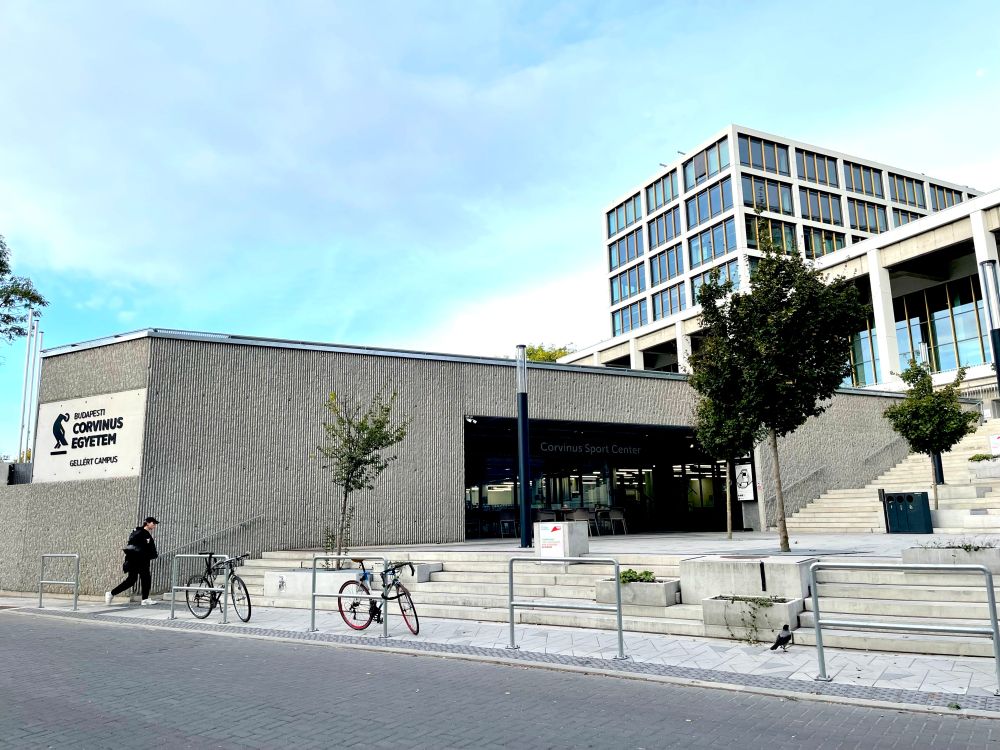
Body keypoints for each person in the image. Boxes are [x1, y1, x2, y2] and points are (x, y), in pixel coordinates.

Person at [105, 517, 159, 605]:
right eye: (153, 523)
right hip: (137, 560)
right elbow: (133, 547)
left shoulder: (142, 533)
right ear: (148, 523)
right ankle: (111, 593)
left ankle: (144, 599)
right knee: (133, 580)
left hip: (141, 560)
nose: (155, 525)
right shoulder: (140, 533)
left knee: (144, 579)